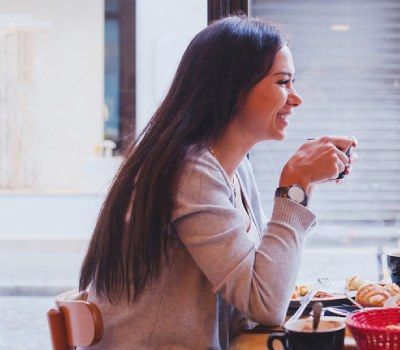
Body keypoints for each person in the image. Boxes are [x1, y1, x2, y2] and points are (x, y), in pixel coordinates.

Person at [78, 16, 357, 349]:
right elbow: (265, 304)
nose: (296, 99)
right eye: (283, 82)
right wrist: (295, 183)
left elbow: (262, 283)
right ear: (233, 88)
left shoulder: (235, 169)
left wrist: (303, 185)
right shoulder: (190, 171)